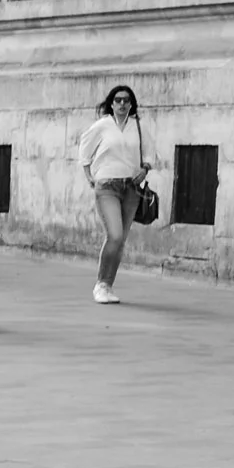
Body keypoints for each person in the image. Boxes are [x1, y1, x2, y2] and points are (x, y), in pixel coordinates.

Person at [77, 84, 156, 305]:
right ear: (111, 104)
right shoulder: (103, 125)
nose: (122, 104)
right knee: (115, 235)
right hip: (107, 186)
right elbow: (85, 148)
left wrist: (145, 168)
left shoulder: (138, 127)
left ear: (132, 105)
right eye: (118, 100)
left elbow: (150, 151)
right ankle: (101, 284)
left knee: (120, 240)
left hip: (131, 187)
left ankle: (108, 286)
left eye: (126, 100)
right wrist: (88, 174)